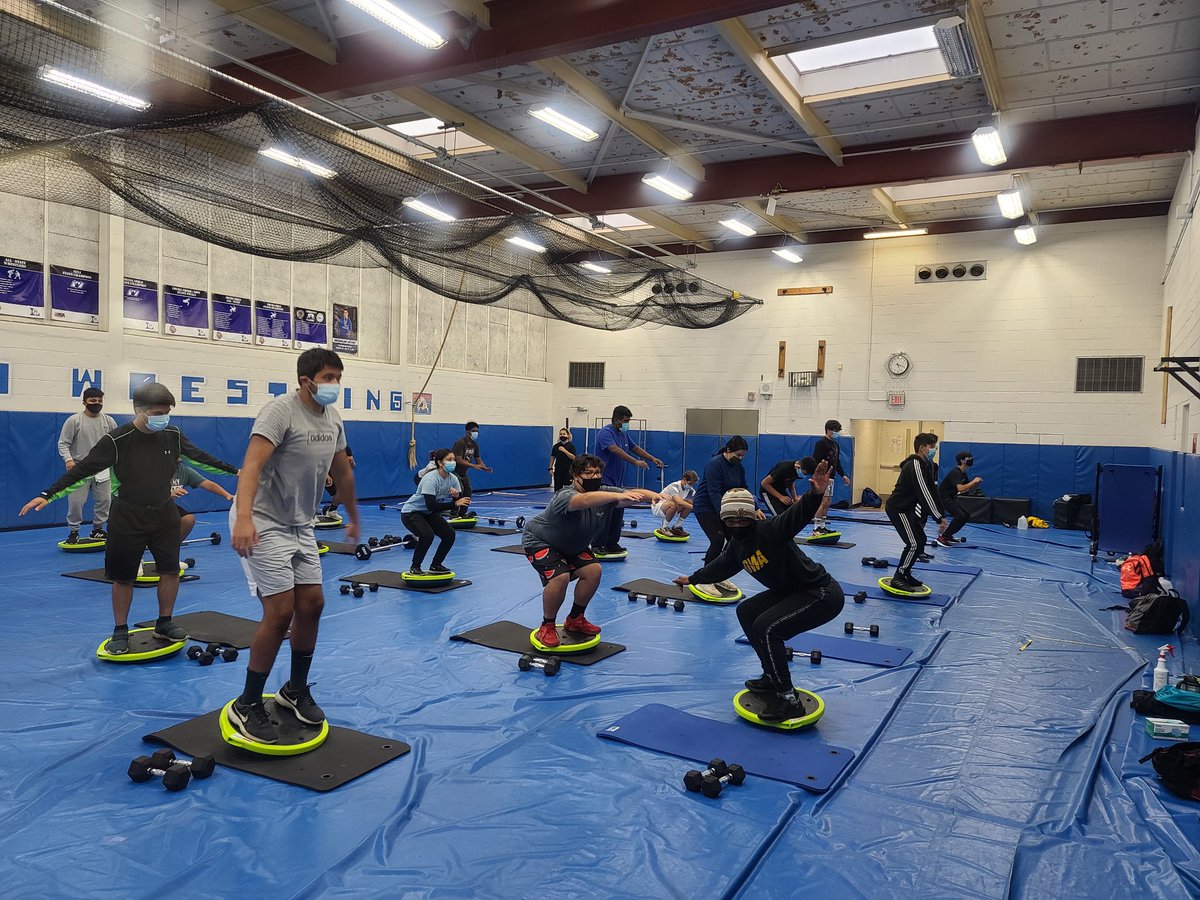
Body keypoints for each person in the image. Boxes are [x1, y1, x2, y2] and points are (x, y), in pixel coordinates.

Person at [21, 383, 239, 653]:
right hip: (127, 516)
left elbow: (201, 458)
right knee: (123, 577)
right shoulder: (117, 440)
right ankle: (120, 630)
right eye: (158, 413)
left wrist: (236, 472)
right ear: (139, 410)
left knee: (170, 570)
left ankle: (165, 622)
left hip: (164, 514)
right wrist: (48, 494)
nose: (164, 417)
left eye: (167, 412)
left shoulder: (172, 434)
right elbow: (83, 470)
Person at [229, 348, 360, 745]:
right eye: (328, 378)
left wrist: (353, 516)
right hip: (262, 519)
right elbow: (251, 466)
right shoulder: (279, 412)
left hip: (300, 523)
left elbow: (342, 471)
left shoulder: (333, 418)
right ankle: (247, 703)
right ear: (306, 381)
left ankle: (294, 691)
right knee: (281, 610)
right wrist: (245, 517)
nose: (335, 385)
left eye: (338, 377)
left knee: (313, 604)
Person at [674, 464, 845, 722]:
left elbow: (797, 515)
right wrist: (692, 579)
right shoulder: (736, 546)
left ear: (752, 518)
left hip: (820, 593)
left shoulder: (770, 530)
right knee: (746, 611)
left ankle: (789, 699)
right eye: (731, 521)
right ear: (724, 521)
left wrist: (815, 495)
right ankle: (771, 676)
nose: (737, 525)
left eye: (743, 520)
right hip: (790, 591)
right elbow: (720, 567)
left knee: (767, 627)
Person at [521, 454, 659, 648]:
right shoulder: (565, 495)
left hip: (571, 545)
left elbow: (633, 494)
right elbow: (584, 500)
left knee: (593, 571)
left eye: (597, 472)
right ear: (575, 476)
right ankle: (547, 625)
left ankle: (575, 619)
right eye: (588, 473)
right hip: (541, 541)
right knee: (560, 577)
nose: (594, 477)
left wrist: (656, 496)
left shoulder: (603, 493)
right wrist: (617, 496)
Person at [692, 436, 762, 590]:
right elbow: (714, 492)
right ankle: (705, 580)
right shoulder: (715, 465)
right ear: (729, 450)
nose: (741, 458)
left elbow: (744, 489)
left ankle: (718, 575)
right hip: (705, 507)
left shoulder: (739, 467)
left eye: (743, 455)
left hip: (724, 506)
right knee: (718, 539)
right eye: (738, 455)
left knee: (733, 540)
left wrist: (755, 507)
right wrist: (724, 515)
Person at [593, 405, 664, 554]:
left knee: (618, 512)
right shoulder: (605, 433)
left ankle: (612, 543)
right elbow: (615, 450)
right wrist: (635, 462)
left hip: (617, 481)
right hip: (604, 480)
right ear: (616, 419)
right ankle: (598, 545)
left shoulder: (623, 434)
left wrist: (652, 458)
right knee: (604, 513)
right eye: (625, 421)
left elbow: (635, 447)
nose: (627, 424)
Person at [885, 432, 947, 592]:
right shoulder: (915, 464)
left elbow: (932, 490)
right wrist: (938, 517)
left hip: (906, 508)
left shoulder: (926, 465)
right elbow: (924, 492)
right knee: (913, 543)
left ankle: (905, 573)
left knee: (921, 540)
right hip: (898, 508)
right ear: (922, 448)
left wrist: (941, 514)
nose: (934, 450)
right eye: (931, 447)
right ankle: (898, 577)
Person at [57, 387, 118, 544]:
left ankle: (97, 530)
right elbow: (63, 443)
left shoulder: (109, 421)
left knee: (105, 501)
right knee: (76, 502)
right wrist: (68, 460)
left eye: (99, 401)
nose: (96, 403)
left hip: (103, 469)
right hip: (80, 468)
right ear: (84, 402)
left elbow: (116, 442)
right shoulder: (74, 420)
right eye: (92, 401)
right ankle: (74, 531)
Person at [400, 448, 470, 575]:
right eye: (449, 460)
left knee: (449, 534)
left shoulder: (453, 479)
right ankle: (415, 567)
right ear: (440, 463)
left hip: (427, 513)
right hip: (411, 513)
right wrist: (454, 503)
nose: (453, 462)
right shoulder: (430, 479)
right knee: (427, 535)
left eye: (454, 459)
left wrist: (455, 498)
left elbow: (458, 503)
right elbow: (431, 506)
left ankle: (436, 565)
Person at [172, 463, 234, 542]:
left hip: (168, 505)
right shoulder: (157, 470)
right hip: (156, 505)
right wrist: (168, 494)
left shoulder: (183, 470)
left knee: (188, 519)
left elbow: (208, 484)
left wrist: (227, 495)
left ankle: (172, 544)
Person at [810, 419, 851, 535]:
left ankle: (822, 526)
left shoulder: (835, 444)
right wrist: (819, 476)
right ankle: (816, 527)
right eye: (835, 430)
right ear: (828, 430)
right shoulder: (821, 443)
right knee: (823, 502)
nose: (837, 433)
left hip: (831, 477)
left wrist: (843, 475)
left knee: (827, 502)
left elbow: (837, 462)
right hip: (823, 478)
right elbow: (816, 461)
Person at [936, 451, 981, 548]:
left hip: (950, 497)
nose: (971, 459)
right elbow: (960, 488)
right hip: (943, 497)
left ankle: (948, 535)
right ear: (962, 460)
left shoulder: (963, 474)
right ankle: (943, 537)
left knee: (966, 515)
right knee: (959, 515)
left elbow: (967, 489)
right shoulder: (955, 472)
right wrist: (973, 482)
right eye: (968, 458)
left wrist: (975, 484)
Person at [451, 421, 492, 503]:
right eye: (474, 431)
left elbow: (478, 459)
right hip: (454, 471)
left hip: (463, 472)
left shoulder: (475, 445)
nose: (476, 433)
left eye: (477, 431)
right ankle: (454, 509)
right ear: (468, 432)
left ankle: (463, 510)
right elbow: (458, 459)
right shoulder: (460, 443)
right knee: (460, 490)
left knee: (468, 491)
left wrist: (484, 467)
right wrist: (473, 466)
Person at [652, 470, 697, 536]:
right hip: (658, 507)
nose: (691, 486)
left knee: (689, 503)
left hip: (672, 508)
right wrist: (694, 507)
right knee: (674, 504)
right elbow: (678, 501)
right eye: (690, 483)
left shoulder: (690, 490)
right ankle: (664, 527)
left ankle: (676, 527)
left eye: (693, 484)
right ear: (684, 480)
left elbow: (695, 501)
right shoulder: (674, 486)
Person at [321, 444, 355, 515]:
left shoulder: (345, 448)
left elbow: (352, 465)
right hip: (321, 471)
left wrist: (351, 463)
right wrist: (326, 475)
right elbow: (319, 463)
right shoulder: (324, 447)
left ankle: (331, 510)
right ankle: (310, 512)